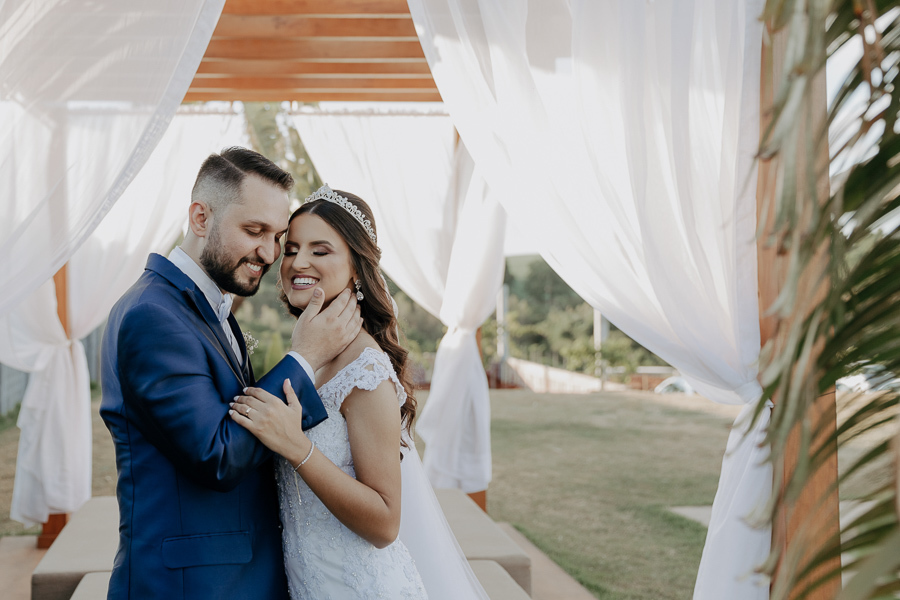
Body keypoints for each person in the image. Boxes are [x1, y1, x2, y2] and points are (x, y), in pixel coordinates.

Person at [100, 149, 361, 600]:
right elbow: (216, 454)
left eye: (277, 235)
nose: (269, 252)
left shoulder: (206, 307)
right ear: (200, 217)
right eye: (254, 230)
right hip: (190, 585)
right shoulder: (153, 316)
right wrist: (305, 358)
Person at [230, 185, 489, 600]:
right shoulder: (309, 356)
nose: (298, 262)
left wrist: (299, 449)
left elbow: (386, 523)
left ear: (356, 267)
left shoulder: (364, 368)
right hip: (308, 581)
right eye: (292, 248)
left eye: (320, 250)